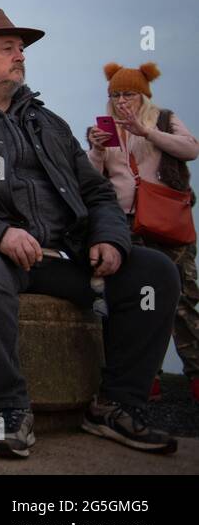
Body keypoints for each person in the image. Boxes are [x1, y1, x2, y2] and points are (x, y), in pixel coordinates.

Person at [0, 8, 181, 458]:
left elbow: (97, 193)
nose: (20, 55)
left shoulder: (47, 123)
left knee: (154, 273)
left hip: (49, 256)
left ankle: (115, 406)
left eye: (21, 48)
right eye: (8, 48)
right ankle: (7, 410)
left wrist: (109, 237)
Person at [87, 61, 199, 404]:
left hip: (166, 223)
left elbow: (191, 149)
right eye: (116, 94)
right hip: (125, 224)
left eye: (129, 94)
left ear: (143, 95)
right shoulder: (105, 130)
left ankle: (195, 374)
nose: (122, 101)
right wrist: (97, 149)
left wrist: (146, 132)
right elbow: (92, 180)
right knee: (133, 300)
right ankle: (143, 377)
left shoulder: (163, 119)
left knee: (184, 298)